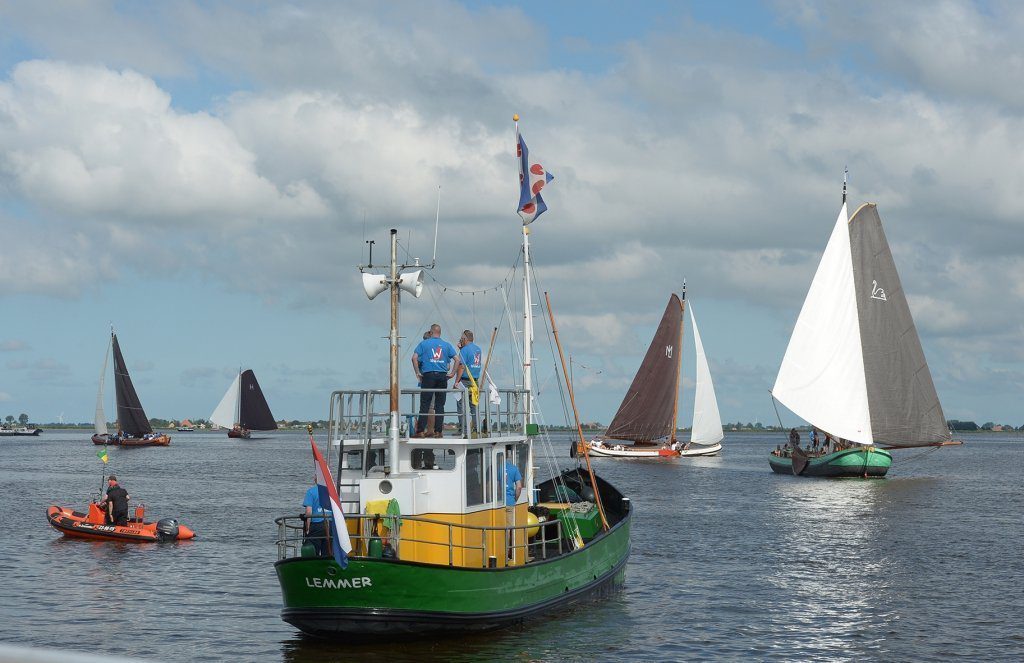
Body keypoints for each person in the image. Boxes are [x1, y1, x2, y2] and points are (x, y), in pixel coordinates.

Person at [411, 324, 461, 438]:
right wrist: (452, 373)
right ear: (440, 332)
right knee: (440, 405)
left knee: (425, 404)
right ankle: (438, 431)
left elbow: (414, 357)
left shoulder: (424, 343)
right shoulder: (446, 345)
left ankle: (420, 431)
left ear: (430, 332)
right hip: (442, 376)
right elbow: (457, 359)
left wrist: (417, 372)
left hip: (428, 375)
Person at [454, 330, 483, 436]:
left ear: (464, 339)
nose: (460, 340)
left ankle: (464, 429)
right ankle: (476, 428)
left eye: (461, 338)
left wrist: (457, 381)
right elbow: (470, 360)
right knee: (474, 405)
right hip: (475, 381)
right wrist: (461, 349)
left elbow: (462, 366)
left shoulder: (464, 350)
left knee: (461, 404)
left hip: (465, 381)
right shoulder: (478, 349)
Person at [505, 448, 523, 562]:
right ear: (509, 455)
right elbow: (519, 487)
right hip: (509, 503)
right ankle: (507, 554)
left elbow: (488, 486)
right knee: (508, 529)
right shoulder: (514, 469)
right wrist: (515, 499)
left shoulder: (493, 468)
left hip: (495, 504)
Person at [302, 482, 329, 557]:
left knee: (313, 552)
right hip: (331, 525)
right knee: (328, 552)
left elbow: (308, 512)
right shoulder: (334, 492)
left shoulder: (311, 492)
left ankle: (315, 564)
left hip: (317, 525)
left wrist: (307, 528)